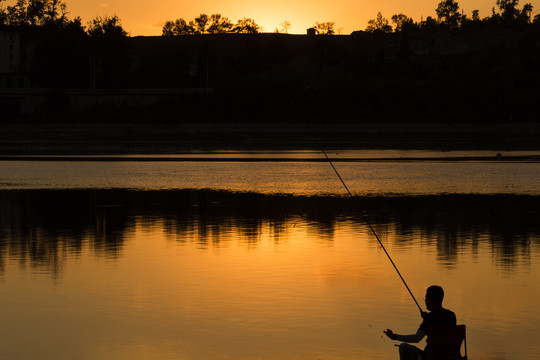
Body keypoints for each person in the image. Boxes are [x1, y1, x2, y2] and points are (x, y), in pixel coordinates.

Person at [383, 285, 457, 360]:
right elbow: (440, 321)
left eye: (425, 298)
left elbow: (416, 338)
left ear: (429, 300)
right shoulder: (451, 315)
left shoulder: (429, 318)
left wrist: (395, 336)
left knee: (403, 347)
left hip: (431, 357)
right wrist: (428, 317)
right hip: (452, 356)